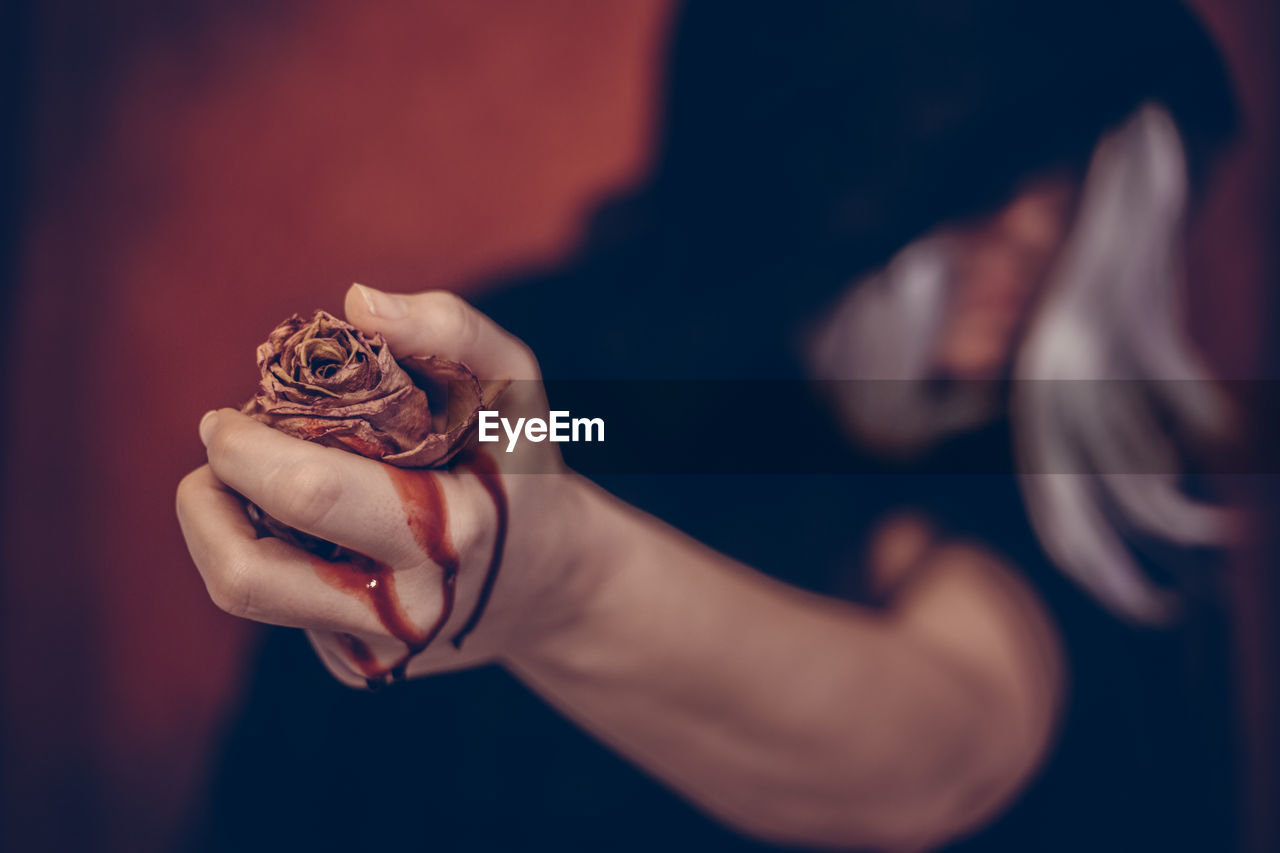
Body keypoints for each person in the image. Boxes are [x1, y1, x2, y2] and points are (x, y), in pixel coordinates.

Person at [176, 2, 1239, 850]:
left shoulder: (1038, 435)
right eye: (987, 175)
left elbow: (939, 742)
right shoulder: (575, 365)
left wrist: (563, 581)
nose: (1036, 227)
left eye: (1076, 177)